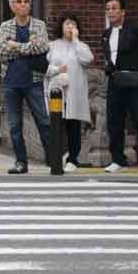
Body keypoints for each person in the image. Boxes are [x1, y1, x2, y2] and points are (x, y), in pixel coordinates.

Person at [0, 0, 51, 176]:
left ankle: (52, 159)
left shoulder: (39, 25)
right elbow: (2, 51)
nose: (22, 4)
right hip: (11, 82)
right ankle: (21, 162)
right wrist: (28, 47)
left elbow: (42, 47)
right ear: (12, 6)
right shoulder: (5, 26)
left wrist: (16, 46)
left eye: (26, 1)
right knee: (14, 125)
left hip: (34, 80)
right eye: (18, 1)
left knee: (43, 121)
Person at [102, 0, 138, 173]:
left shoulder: (136, 30)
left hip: (134, 81)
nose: (111, 11)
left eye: (114, 8)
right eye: (108, 8)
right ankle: (117, 159)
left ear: (123, 12)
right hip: (115, 81)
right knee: (114, 121)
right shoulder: (106, 34)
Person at [46, 14, 93, 169]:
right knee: (57, 124)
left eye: (73, 24)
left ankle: (73, 158)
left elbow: (88, 59)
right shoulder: (52, 45)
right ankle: (58, 155)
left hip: (74, 92)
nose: (70, 27)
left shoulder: (80, 46)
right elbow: (44, 67)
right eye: (67, 24)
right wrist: (57, 69)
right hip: (57, 90)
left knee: (73, 125)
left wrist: (76, 40)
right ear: (61, 26)